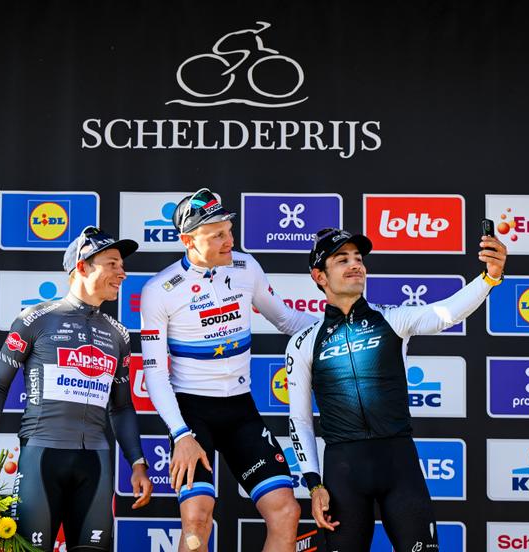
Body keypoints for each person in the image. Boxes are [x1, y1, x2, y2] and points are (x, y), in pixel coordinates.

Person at [287, 228, 507, 551]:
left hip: (398, 465)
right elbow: (300, 421)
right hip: (343, 472)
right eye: (342, 259)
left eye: (359, 259)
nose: (355, 265)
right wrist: (314, 483)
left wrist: (489, 278)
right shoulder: (303, 343)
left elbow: (446, 312)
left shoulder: (393, 319)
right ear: (319, 276)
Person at [140, 188, 316, 552]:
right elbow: (155, 373)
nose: (229, 240)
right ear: (188, 240)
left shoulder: (245, 267)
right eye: (217, 234)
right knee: (196, 520)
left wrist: (338, 327)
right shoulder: (160, 290)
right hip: (192, 414)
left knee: (285, 511)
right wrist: (180, 435)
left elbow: (285, 319)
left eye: (229, 231)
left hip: (240, 409)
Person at [0, 226, 153, 551]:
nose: (123, 272)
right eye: (112, 264)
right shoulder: (36, 319)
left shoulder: (119, 334)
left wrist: (137, 463)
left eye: (122, 265)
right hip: (42, 458)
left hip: (96, 462)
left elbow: (121, 406)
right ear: (81, 267)